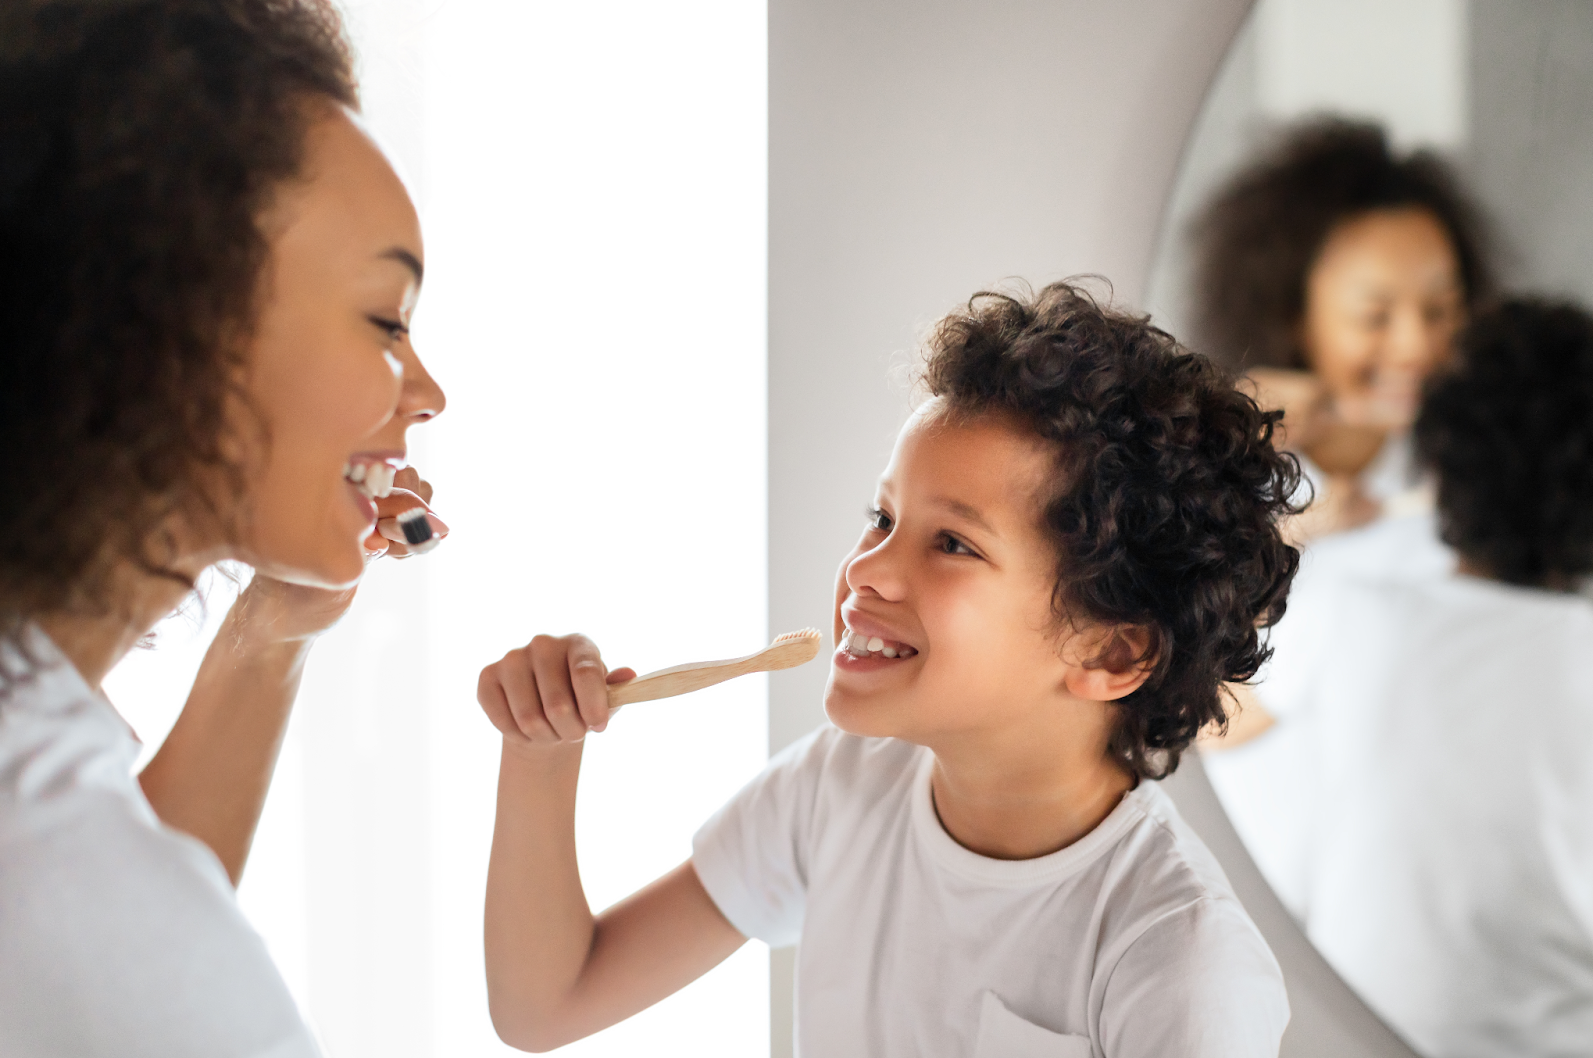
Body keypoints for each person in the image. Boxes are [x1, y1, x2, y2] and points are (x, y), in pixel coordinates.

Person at [478, 282, 1300, 1056]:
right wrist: (541, 749)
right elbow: (548, 1004)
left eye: (953, 543)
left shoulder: (1181, 960)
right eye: (883, 517)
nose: (866, 568)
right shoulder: (841, 788)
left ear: (1112, 650)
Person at [0, 2, 447, 1055]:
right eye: (386, 319)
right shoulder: (61, 882)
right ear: (165, 324)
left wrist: (277, 624)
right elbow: (118, 948)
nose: (428, 392)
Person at [1207, 299, 1593, 1057]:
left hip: (1341, 1029)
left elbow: (1203, 712)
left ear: (1440, 461)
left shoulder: (1352, 617)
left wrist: (1261, 475)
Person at [1191, 117, 1494, 542]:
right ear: (1292, 317)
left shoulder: (1487, 473)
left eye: (1440, 310)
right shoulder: (1219, 475)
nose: (1417, 347)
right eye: (1375, 317)